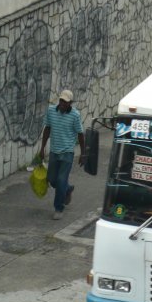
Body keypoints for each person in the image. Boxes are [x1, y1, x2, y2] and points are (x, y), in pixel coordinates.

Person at [39, 89, 86, 220]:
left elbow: (80, 135)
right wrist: (42, 148)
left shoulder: (75, 115)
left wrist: (83, 154)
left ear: (70, 103)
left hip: (67, 153)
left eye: (65, 102)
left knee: (60, 180)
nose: (62, 104)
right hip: (54, 151)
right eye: (61, 101)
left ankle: (58, 208)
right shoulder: (51, 111)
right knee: (52, 179)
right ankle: (67, 189)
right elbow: (47, 129)